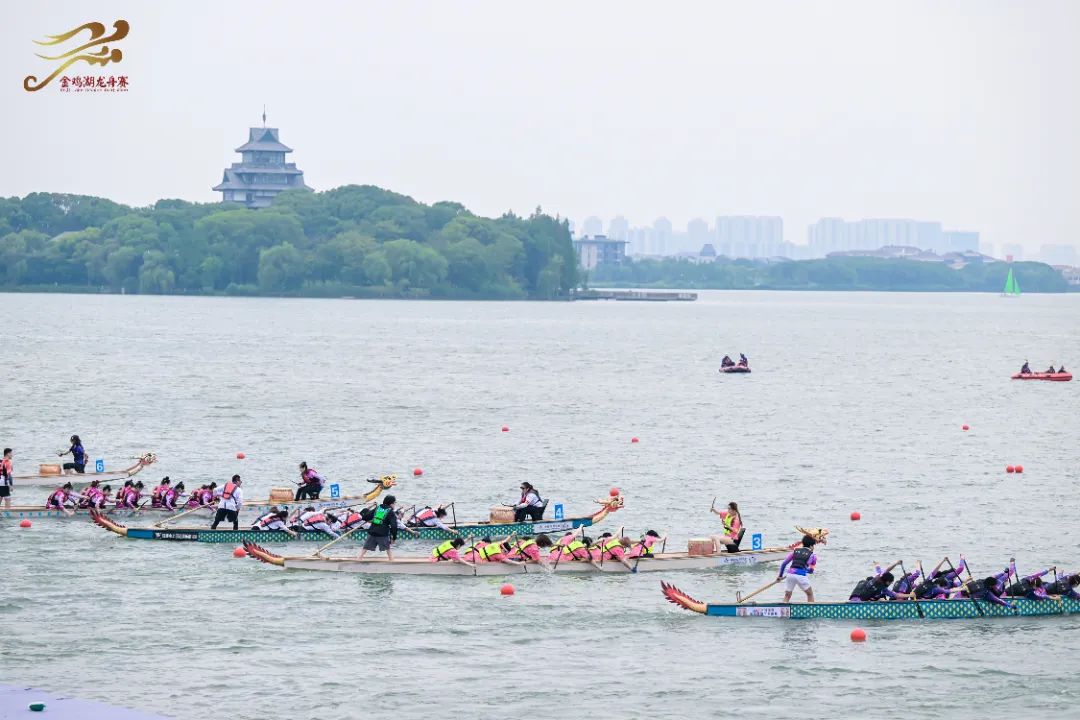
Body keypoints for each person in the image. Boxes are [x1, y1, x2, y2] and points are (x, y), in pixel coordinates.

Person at [357, 495, 400, 561]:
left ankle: (360, 558)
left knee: (365, 547)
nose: (395, 505)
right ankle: (391, 560)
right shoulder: (391, 512)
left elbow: (365, 517)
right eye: (394, 503)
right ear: (391, 504)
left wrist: (370, 520)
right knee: (387, 548)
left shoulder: (378, 508)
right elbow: (394, 526)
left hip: (372, 532)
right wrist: (393, 538)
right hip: (382, 534)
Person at [779, 535, 818, 603]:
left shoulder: (795, 551)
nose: (813, 548)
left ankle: (783, 609)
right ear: (811, 546)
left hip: (790, 574)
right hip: (801, 576)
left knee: (787, 595)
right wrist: (806, 570)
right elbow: (811, 571)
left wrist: (780, 576)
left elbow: (784, 564)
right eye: (813, 546)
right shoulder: (813, 556)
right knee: (810, 594)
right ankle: (811, 609)